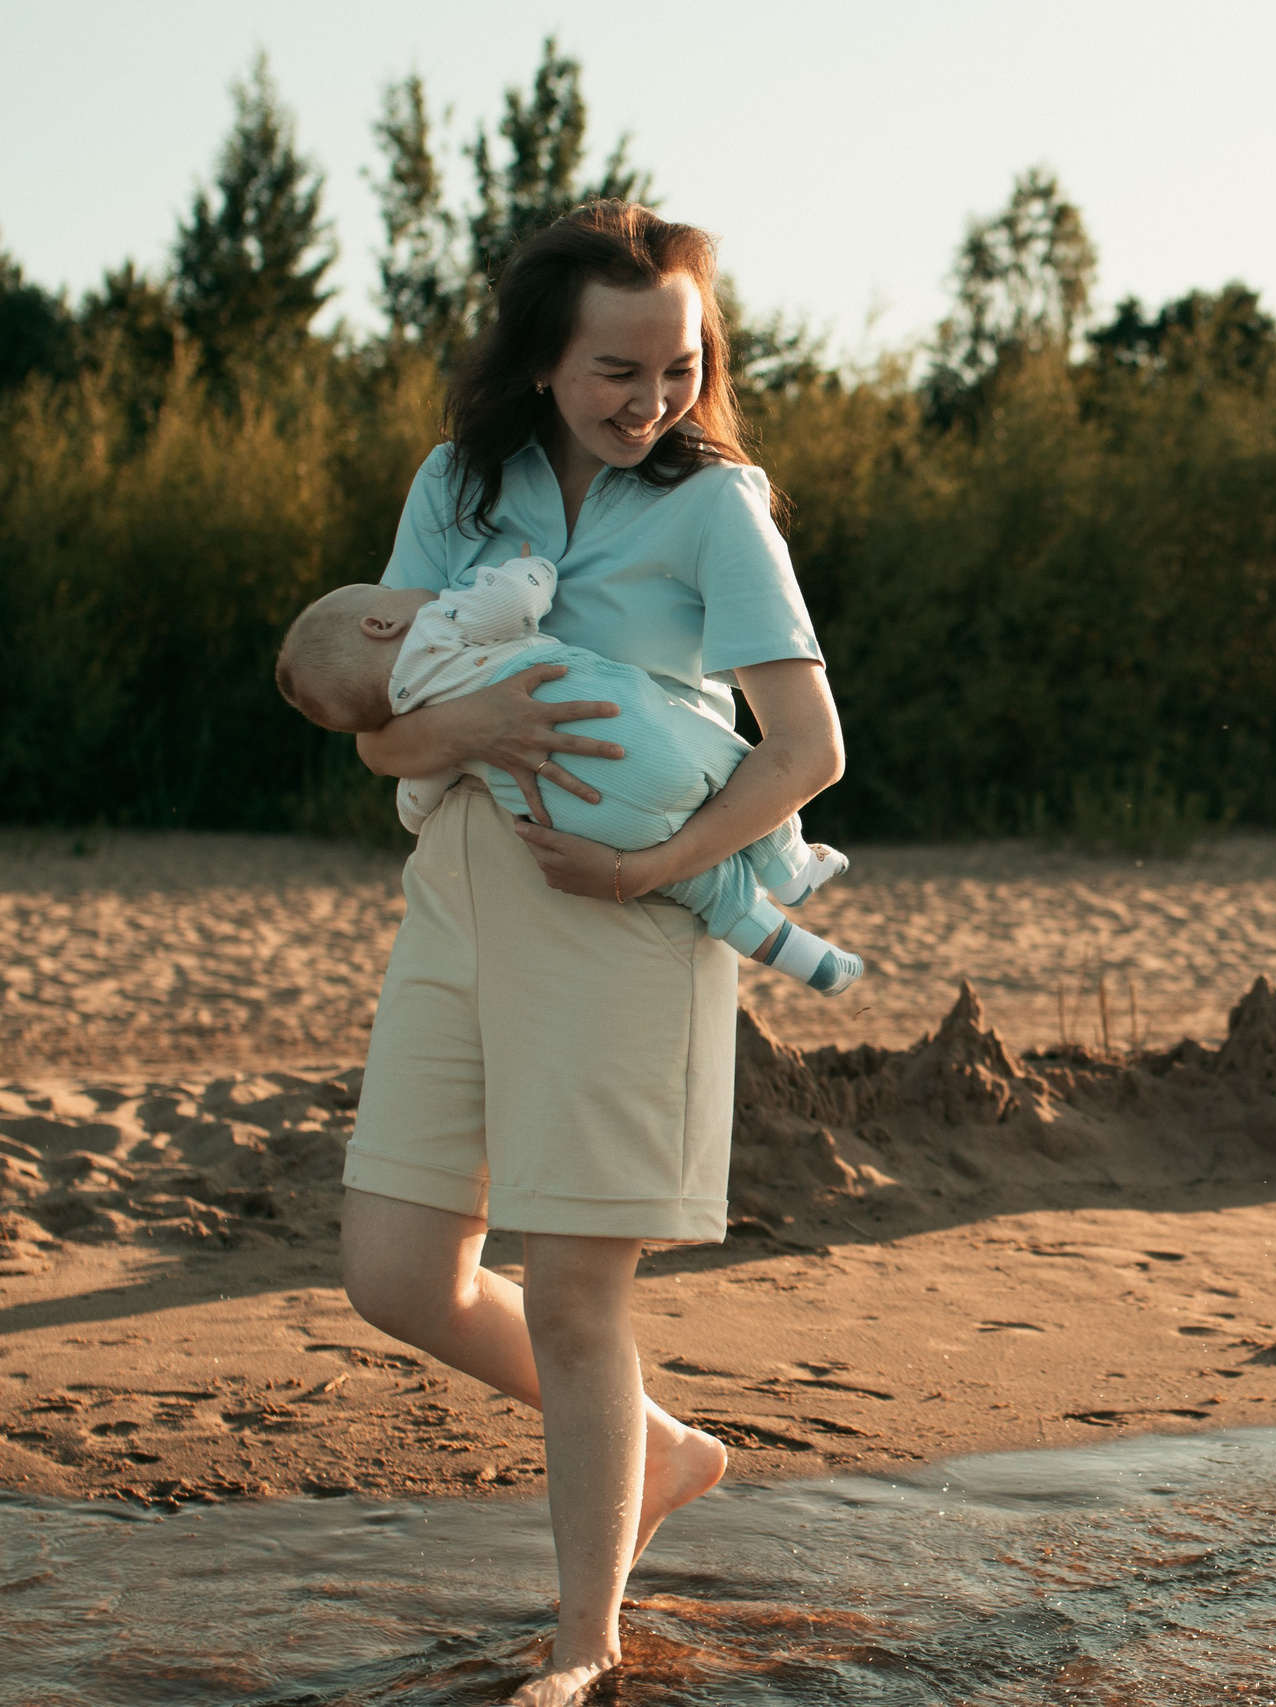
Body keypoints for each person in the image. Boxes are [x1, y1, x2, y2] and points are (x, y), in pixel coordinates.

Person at [333, 200, 844, 1707]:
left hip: (628, 914)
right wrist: (469, 725)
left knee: (573, 1298)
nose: (653, 398)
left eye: (677, 365)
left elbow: (805, 749)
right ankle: (664, 1448)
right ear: (542, 359)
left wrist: (647, 867)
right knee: (396, 1272)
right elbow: (381, 725)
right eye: (617, 368)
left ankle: (583, 1641)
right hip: (460, 894)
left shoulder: (713, 508)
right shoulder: (458, 482)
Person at [275, 551, 862, 993]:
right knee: (730, 764)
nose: (411, 590)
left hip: (576, 816)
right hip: (632, 734)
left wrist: (416, 804)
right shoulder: (439, 623)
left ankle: (808, 960)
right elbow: (518, 599)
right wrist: (531, 565)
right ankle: (789, 868)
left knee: (705, 887)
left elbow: (416, 801)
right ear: (380, 624)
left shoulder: (420, 721)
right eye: (392, 594)